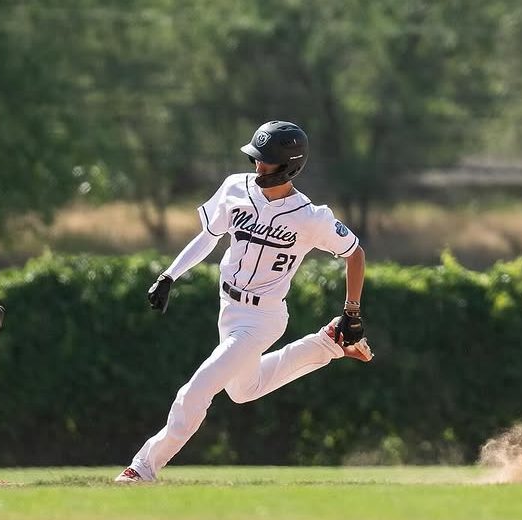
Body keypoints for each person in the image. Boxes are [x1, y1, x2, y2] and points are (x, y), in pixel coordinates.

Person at [116, 121, 373, 483]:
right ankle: (328, 343)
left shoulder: (310, 217)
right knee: (243, 390)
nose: (258, 166)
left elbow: (355, 254)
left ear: (290, 166)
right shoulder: (236, 188)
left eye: (266, 161)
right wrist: (169, 275)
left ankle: (143, 467)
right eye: (256, 158)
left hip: (263, 317)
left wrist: (352, 310)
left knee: (198, 388)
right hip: (229, 306)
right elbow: (208, 236)